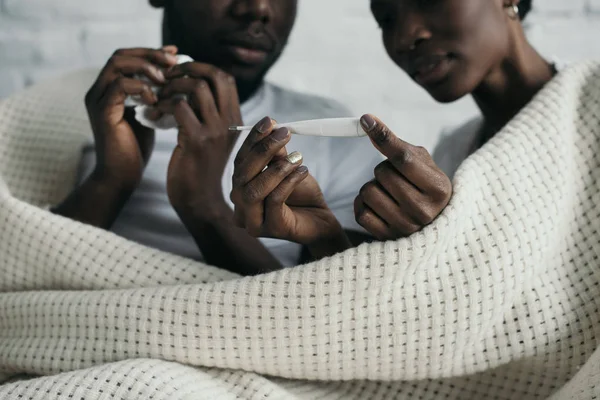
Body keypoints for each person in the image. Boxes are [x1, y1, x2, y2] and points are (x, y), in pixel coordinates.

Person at [51, 0, 385, 275]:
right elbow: (21, 281)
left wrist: (204, 205)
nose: (259, 8)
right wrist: (111, 179)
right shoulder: (72, 113)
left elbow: (338, 315)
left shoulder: (337, 135)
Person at [231, 0, 554, 256]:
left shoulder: (590, 104)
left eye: (428, 1)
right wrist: (325, 236)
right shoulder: (454, 154)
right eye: (386, 20)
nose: (404, 38)